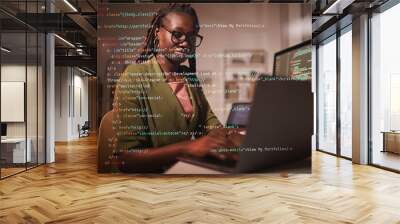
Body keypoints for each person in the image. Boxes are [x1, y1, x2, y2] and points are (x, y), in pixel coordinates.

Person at [113, 3, 242, 173]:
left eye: (191, 37)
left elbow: (211, 126)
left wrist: (231, 135)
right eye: (177, 34)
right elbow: (126, 159)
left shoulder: (190, 79)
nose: (185, 43)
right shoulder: (134, 76)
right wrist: (187, 148)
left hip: (184, 172)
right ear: (158, 32)